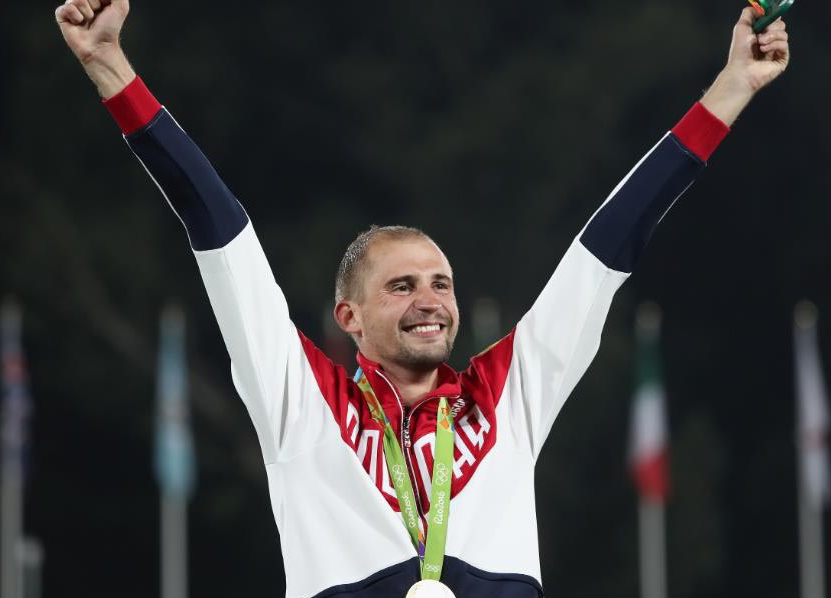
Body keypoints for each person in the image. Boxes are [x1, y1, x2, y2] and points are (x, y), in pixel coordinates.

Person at [54, 1, 789, 596]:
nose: (430, 300)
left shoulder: (510, 397)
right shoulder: (300, 404)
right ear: (348, 317)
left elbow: (610, 242)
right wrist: (109, 65)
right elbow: (218, 229)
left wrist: (731, 89)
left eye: (441, 283)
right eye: (401, 286)